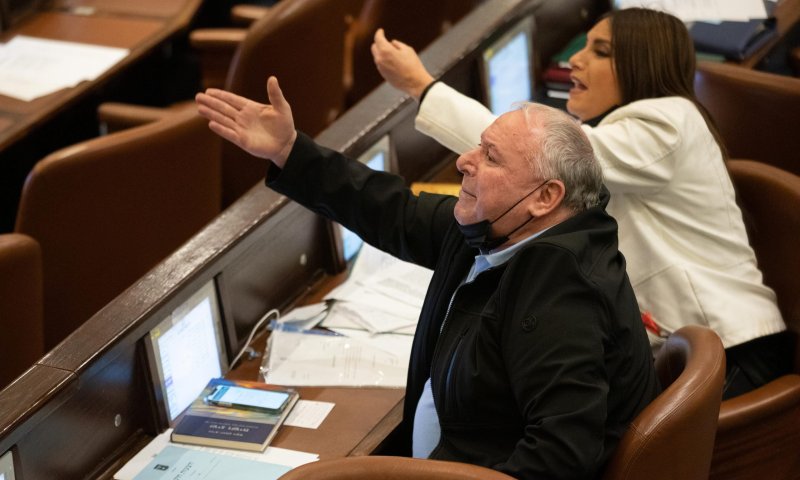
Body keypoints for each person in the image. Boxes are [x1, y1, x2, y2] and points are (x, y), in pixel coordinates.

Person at [196, 76, 660, 479]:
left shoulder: (562, 289)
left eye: (491, 158)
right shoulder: (491, 227)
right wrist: (290, 151)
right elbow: (392, 212)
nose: (465, 160)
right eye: (478, 144)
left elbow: (561, 458)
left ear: (545, 197)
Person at [371, 7, 790, 399]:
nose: (575, 60)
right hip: (689, 350)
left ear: (641, 64)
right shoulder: (637, 128)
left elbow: (537, 160)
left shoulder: (667, 122)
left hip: (732, 352)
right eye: (585, 46)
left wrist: (421, 87)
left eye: (601, 51)